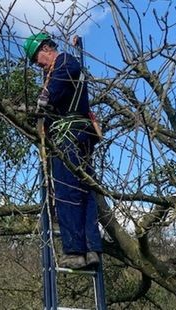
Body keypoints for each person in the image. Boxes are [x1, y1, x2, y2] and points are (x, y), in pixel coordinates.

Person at [23, 33, 103, 269]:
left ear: (46, 48)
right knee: (86, 191)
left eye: (36, 58)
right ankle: (91, 249)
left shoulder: (65, 62)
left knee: (67, 191)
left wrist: (44, 97)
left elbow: (70, 68)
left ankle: (75, 251)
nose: (37, 64)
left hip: (68, 137)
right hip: (81, 136)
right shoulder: (60, 69)